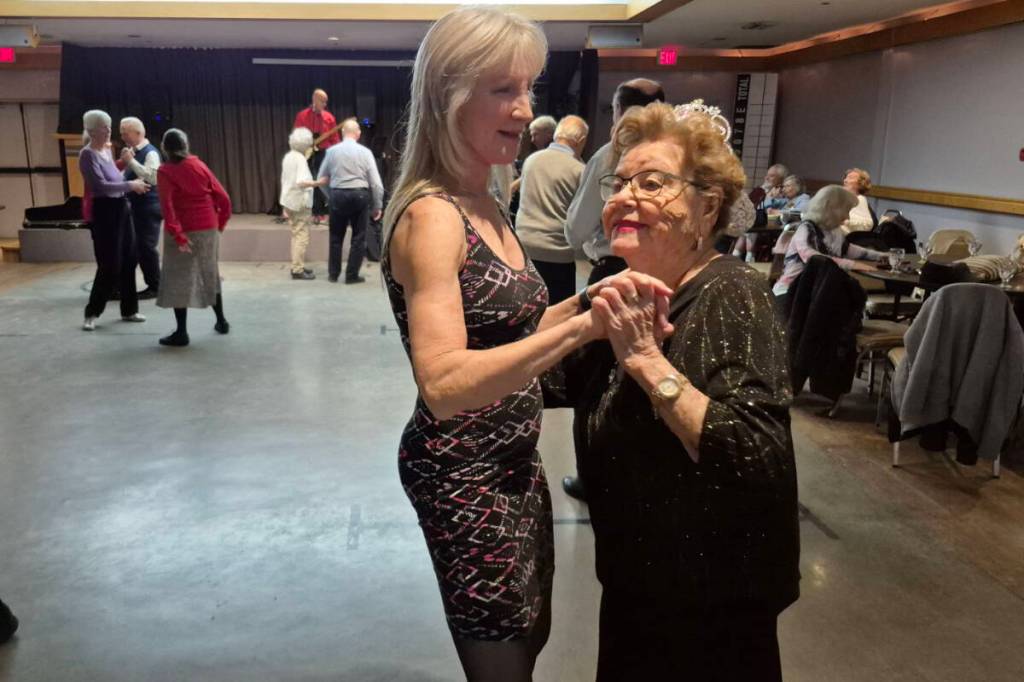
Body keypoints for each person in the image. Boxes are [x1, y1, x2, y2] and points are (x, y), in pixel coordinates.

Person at [381, 9, 672, 680]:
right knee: (502, 655)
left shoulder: (486, 197)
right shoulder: (432, 215)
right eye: (501, 90)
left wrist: (593, 299)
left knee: (529, 634)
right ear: (448, 96)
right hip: (460, 470)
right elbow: (447, 383)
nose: (523, 107)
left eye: (529, 88)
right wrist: (581, 328)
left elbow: (509, 331)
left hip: (514, 457)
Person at [545, 100, 800, 680]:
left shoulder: (732, 293)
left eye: (652, 183)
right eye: (618, 182)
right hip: (640, 584)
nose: (623, 197)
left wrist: (643, 357)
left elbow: (755, 454)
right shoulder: (627, 288)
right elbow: (544, 379)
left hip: (710, 605)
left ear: (707, 207)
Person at [562, 77, 665, 500]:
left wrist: (593, 244)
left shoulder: (611, 156)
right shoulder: (682, 151)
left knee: (597, 383)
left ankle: (594, 478)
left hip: (615, 272)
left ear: (618, 112)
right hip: (670, 275)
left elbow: (575, 229)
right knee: (657, 376)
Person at [155, 129, 231, 347]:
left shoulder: (166, 171)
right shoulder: (199, 165)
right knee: (210, 273)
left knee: (178, 279)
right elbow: (223, 198)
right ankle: (222, 321)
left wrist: (178, 236)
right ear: (186, 145)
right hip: (208, 227)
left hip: (184, 229)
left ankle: (181, 333)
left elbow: (168, 208)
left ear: (165, 148)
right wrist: (220, 225)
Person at [79, 109, 149, 331]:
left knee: (130, 259)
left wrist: (127, 167)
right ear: (91, 131)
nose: (108, 131)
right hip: (105, 212)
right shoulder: (87, 155)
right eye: (103, 127)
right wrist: (131, 185)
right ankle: (92, 312)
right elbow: (100, 186)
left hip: (121, 208)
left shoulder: (106, 152)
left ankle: (129, 309)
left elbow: (115, 178)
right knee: (109, 264)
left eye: (109, 126)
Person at [515, 115, 589, 303]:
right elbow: (581, 217)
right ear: (581, 141)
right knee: (557, 313)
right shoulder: (579, 170)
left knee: (525, 307)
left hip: (523, 246)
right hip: (558, 254)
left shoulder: (531, 160)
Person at [773, 184, 884, 307]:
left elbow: (848, 249)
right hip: (791, 291)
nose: (847, 217)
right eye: (846, 211)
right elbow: (812, 258)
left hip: (817, 292)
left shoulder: (834, 230)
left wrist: (881, 256)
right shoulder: (806, 228)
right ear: (832, 209)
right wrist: (852, 264)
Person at [313, 118, 383, 284]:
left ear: (342, 133)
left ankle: (333, 274)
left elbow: (320, 179)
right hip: (360, 196)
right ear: (358, 134)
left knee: (336, 237)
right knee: (359, 238)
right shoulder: (365, 153)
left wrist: (331, 195)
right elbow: (376, 184)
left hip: (338, 194)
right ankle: (352, 276)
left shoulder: (331, 152)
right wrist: (377, 205)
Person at [119, 116, 162, 298]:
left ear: (138, 133)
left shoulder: (150, 153)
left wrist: (130, 162)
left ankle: (156, 286)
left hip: (148, 207)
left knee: (146, 248)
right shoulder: (132, 152)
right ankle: (149, 284)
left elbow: (153, 178)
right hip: (137, 207)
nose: (122, 137)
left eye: (125, 133)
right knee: (137, 248)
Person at [294, 89, 340, 222]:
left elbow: (335, 139)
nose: (325, 104)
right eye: (323, 101)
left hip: (323, 153)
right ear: (315, 100)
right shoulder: (302, 116)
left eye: (326, 102)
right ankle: (311, 210)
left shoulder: (329, 118)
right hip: (307, 153)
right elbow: (297, 135)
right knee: (308, 181)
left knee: (320, 180)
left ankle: (320, 211)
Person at [280, 127, 318, 280]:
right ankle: (297, 270)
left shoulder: (289, 156)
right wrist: (318, 183)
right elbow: (301, 182)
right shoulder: (300, 159)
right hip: (300, 203)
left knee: (296, 235)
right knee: (301, 236)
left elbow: (286, 180)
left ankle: (297, 265)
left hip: (290, 201)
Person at [841, 167, 877, 233]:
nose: (845, 180)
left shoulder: (860, 199)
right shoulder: (844, 199)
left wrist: (845, 222)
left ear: (860, 183)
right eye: (846, 178)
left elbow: (868, 224)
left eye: (850, 178)